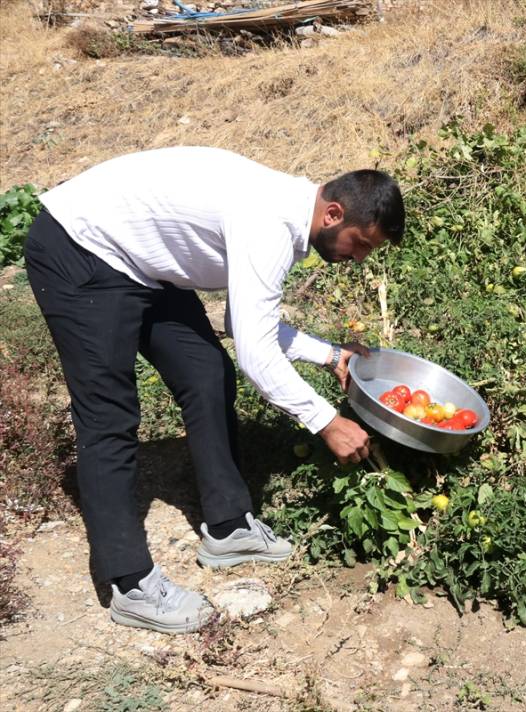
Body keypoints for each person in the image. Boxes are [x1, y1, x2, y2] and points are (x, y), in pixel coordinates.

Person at [23, 146, 405, 634]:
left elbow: (247, 324)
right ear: (333, 214)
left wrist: (330, 355)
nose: (358, 257)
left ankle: (228, 528)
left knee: (206, 371)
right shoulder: (268, 222)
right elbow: (257, 354)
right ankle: (130, 583)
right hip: (81, 247)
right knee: (108, 416)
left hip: (143, 261)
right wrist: (326, 421)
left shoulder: (285, 216)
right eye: (361, 243)